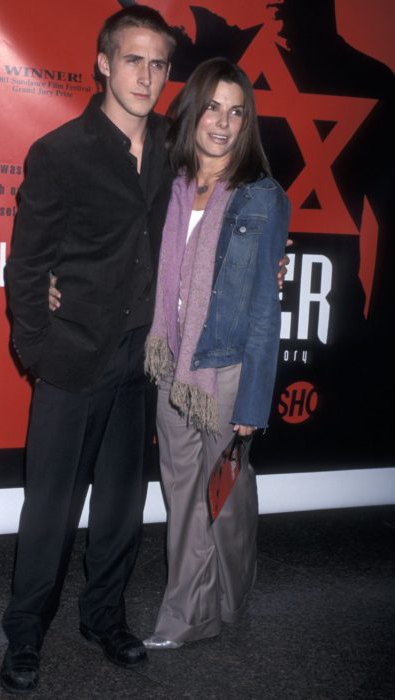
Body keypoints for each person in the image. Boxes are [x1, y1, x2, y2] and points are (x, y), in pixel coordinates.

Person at [0, 6, 176, 694]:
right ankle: (23, 633)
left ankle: (103, 617)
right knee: (49, 508)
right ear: (103, 63)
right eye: (133, 59)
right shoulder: (60, 152)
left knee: (122, 508)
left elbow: (223, 200)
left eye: (158, 63)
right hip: (71, 361)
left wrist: (264, 252)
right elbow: (26, 266)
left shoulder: (172, 143)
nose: (146, 75)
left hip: (140, 359)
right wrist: (38, 351)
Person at [142, 57, 290, 649]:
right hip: (172, 369)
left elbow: (262, 307)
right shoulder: (168, 185)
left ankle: (233, 584)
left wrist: (254, 398)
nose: (223, 123)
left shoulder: (261, 198)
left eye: (237, 111)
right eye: (213, 107)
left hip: (226, 371)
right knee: (184, 498)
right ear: (194, 109)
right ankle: (189, 615)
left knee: (224, 495)